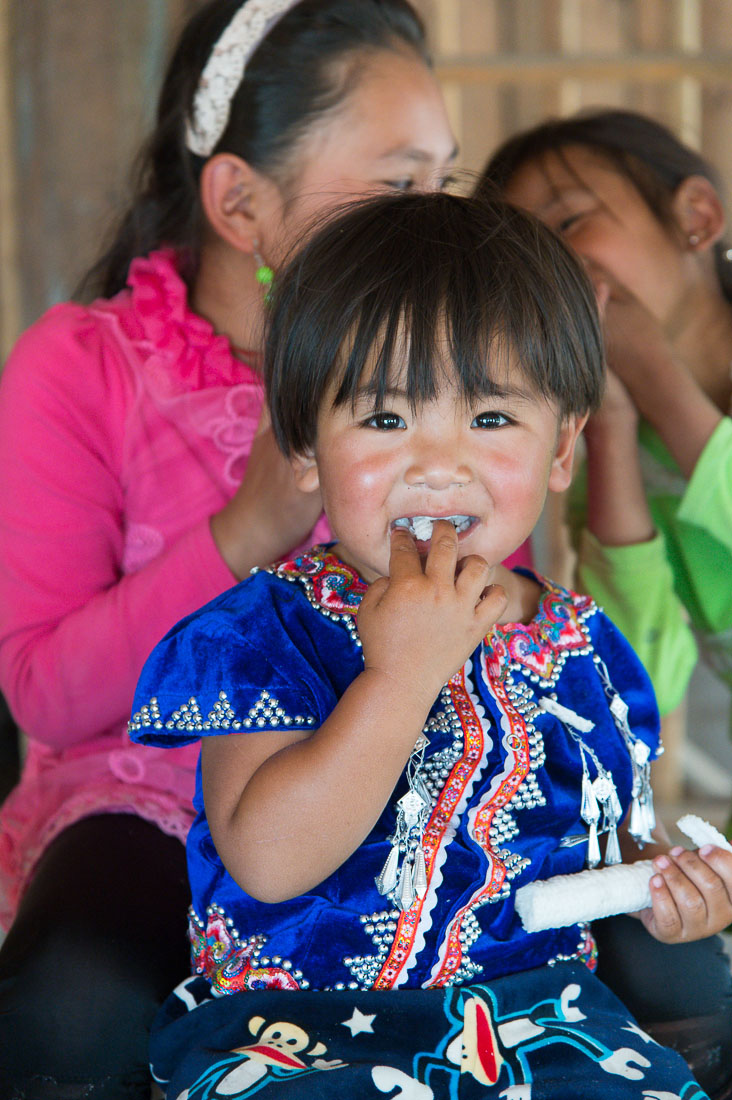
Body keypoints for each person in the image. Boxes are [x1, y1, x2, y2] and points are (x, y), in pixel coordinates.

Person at [129, 190, 726, 1098]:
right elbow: (269, 859)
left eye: (491, 421)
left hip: (542, 1026)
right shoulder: (262, 633)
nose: (438, 462)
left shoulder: (583, 650)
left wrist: (665, 888)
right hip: (296, 1034)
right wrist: (402, 675)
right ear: (301, 448)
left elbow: (599, 848)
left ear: (562, 449)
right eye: (383, 419)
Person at [0, 2, 467, 1096]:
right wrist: (247, 528)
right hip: (148, 804)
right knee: (70, 1005)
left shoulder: (446, 370)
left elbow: (488, 609)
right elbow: (44, 694)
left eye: (446, 184)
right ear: (240, 201)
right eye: (397, 185)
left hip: (398, 786)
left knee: (649, 955)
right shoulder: (83, 369)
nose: (430, 221)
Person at [478, 107, 732, 1097]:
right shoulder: (600, 418)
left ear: (697, 215)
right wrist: (618, 430)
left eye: (572, 220)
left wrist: (660, 380)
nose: (557, 263)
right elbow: (652, 668)